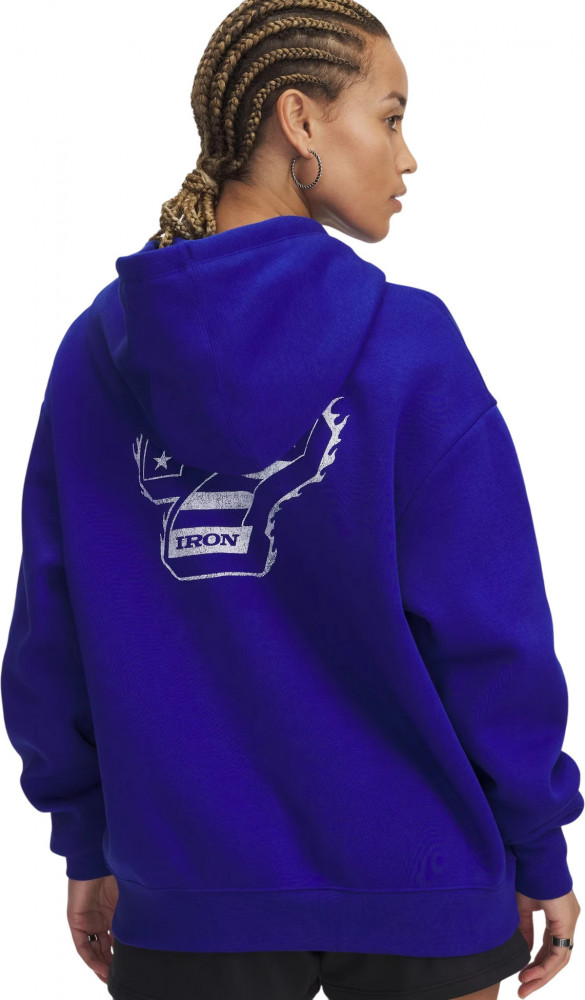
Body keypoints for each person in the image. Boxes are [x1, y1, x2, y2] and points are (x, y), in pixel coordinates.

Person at [1, 2, 582, 999]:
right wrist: (537, 841)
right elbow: (491, 635)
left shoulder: (99, 350)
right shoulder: (408, 346)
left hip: (190, 890)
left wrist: (86, 838)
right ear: (299, 120)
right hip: (424, 881)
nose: (407, 157)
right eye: (390, 117)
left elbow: (49, 641)